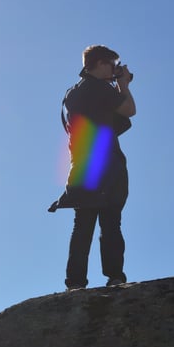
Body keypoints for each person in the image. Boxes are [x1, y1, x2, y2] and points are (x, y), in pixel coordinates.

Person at [50, 45, 136, 289]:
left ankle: (75, 283)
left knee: (83, 226)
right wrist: (124, 85)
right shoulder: (98, 88)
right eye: (112, 64)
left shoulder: (73, 92)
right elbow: (129, 110)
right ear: (99, 63)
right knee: (110, 223)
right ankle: (115, 277)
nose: (114, 70)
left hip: (82, 165)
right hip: (107, 164)